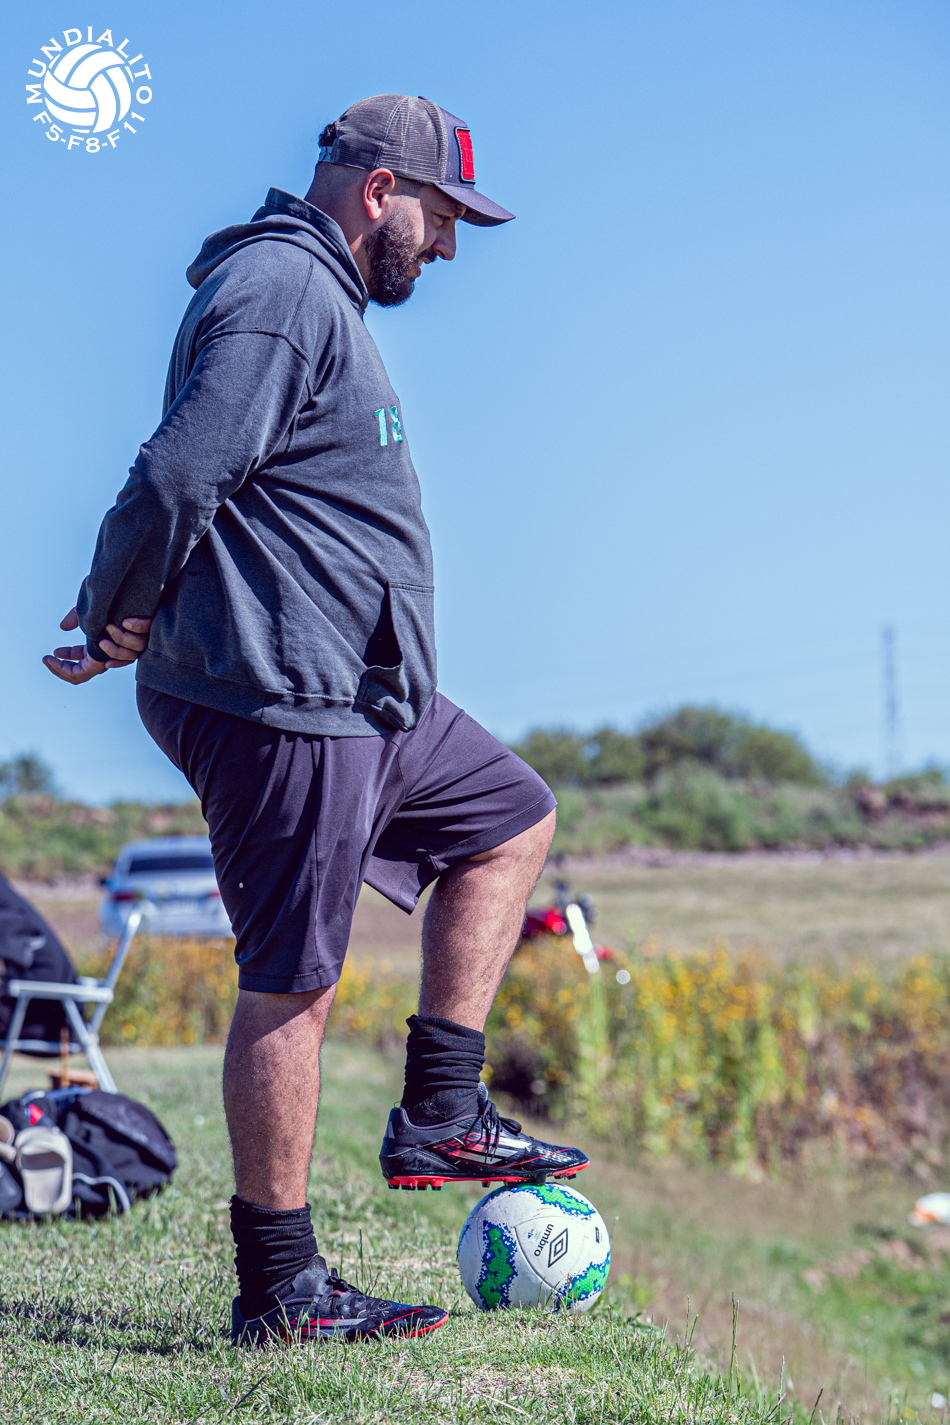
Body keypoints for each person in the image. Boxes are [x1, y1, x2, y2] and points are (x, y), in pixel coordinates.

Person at [43, 94, 589, 1345]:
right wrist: (116, 606)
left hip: (362, 690)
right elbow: (183, 470)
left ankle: (440, 1109)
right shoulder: (283, 289)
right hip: (284, 695)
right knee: (292, 984)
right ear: (379, 192)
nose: (445, 248)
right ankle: (279, 1287)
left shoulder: (316, 298)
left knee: (508, 816)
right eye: (441, 219)